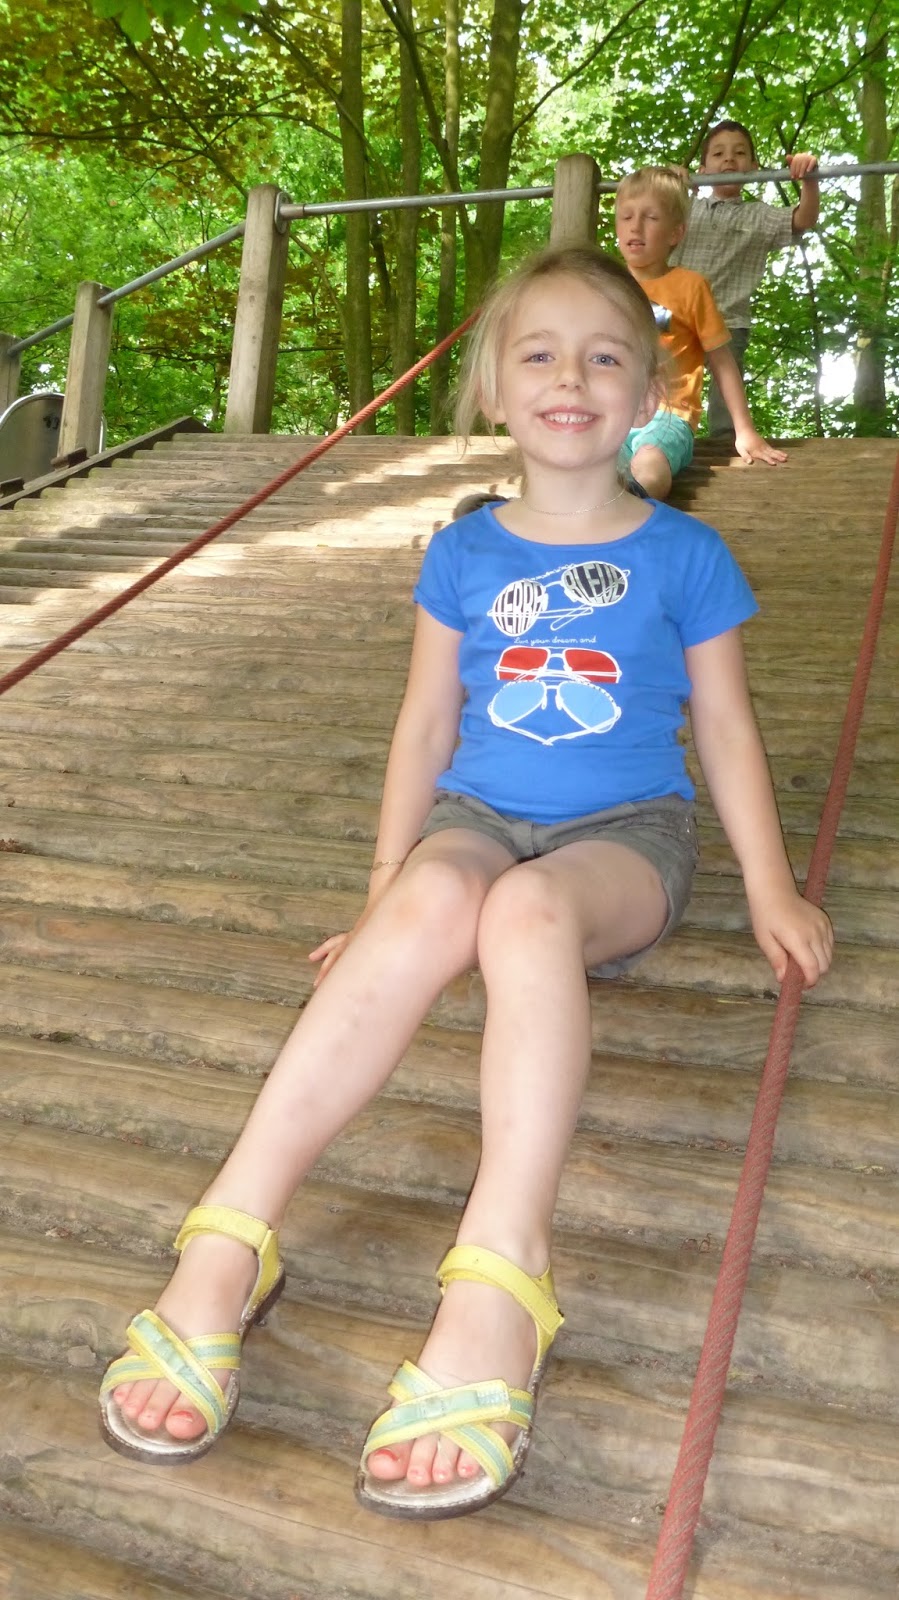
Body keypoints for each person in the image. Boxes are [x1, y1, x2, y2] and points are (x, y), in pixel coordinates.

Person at [98, 242, 834, 1521]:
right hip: (475, 815)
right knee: (445, 898)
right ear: (494, 385)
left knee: (527, 912)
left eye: (602, 356)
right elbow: (426, 722)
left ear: (646, 388)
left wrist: (769, 889)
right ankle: (227, 1238)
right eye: (538, 353)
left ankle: (502, 1271)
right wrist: (386, 885)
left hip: (625, 836)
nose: (569, 377)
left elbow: (723, 730)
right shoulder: (462, 551)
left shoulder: (684, 553)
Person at [615, 165, 786, 500]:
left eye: (651, 217)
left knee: (649, 463)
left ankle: (631, 506)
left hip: (668, 416)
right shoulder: (606, 285)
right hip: (612, 415)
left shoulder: (690, 286)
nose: (635, 226)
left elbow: (722, 361)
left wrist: (744, 430)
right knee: (584, 464)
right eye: (626, 216)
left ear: (675, 233)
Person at [670, 121, 820, 437]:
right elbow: (645, 213)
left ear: (753, 167)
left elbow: (804, 219)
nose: (728, 159)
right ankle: (662, 436)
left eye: (739, 153)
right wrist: (669, 182)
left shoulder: (758, 215)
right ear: (702, 169)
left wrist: (809, 179)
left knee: (727, 391)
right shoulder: (683, 208)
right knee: (664, 385)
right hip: (676, 316)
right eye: (718, 154)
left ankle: (726, 444)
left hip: (728, 318)